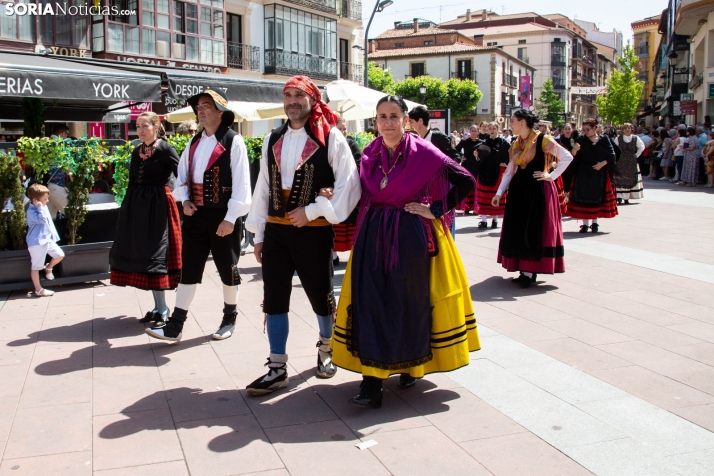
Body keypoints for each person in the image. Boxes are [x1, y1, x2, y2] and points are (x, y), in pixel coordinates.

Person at [331, 95, 479, 409]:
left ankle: (409, 365)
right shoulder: (369, 153)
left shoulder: (424, 151)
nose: (387, 123)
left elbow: (465, 180)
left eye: (394, 116)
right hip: (372, 235)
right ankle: (372, 383)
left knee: (407, 303)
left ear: (406, 119)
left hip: (410, 237)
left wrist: (435, 209)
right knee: (370, 302)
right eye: (382, 117)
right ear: (375, 122)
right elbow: (356, 191)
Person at [244, 75, 361, 395]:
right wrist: (258, 235)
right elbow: (263, 188)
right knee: (275, 298)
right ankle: (277, 367)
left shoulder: (331, 138)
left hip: (314, 232)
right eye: (288, 95)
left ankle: (328, 348)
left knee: (321, 294)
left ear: (312, 99)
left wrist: (313, 210)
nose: (292, 100)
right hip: (277, 233)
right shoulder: (272, 139)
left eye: (299, 95)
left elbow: (350, 185)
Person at [145, 89, 252, 342]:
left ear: (220, 111)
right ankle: (175, 326)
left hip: (223, 216)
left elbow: (243, 185)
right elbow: (180, 179)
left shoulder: (233, 141)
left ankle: (230, 317)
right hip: (195, 216)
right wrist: (184, 201)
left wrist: (231, 217)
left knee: (229, 269)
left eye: (206, 105)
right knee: (189, 269)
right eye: (198, 107)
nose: (200, 110)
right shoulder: (193, 142)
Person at [109, 112, 182, 327]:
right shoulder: (137, 150)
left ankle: (163, 309)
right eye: (138, 126)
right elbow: (133, 181)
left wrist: (182, 197)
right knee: (143, 254)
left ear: (156, 126)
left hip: (158, 206)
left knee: (155, 254)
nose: (140, 130)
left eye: (145, 126)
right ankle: (159, 307)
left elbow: (182, 174)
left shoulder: (166, 148)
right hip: (138, 206)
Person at [492, 109, 573, 288]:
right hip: (520, 189)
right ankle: (524, 270)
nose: (510, 124)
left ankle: (530, 272)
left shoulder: (543, 140)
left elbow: (567, 157)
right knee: (520, 227)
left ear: (522, 122)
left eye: (512, 121)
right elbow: (510, 170)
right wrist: (499, 192)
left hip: (538, 189)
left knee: (534, 227)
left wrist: (551, 176)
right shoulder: (515, 144)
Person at [566, 118, 618, 232]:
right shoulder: (581, 139)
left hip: (599, 172)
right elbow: (573, 157)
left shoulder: (604, 140)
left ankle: (595, 223)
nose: (585, 132)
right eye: (583, 129)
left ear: (595, 128)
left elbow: (612, 155)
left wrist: (603, 163)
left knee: (597, 197)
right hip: (583, 172)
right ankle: (584, 224)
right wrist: (574, 150)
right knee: (583, 197)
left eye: (587, 129)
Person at [331, 118, 362, 263]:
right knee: (333, 224)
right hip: (332, 191)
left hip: (349, 190)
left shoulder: (351, 143)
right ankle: (333, 255)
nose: (343, 132)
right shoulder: (328, 144)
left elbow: (359, 163)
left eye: (344, 129)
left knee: (351, 225)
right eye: (340, 129)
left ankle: (354, 256)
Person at [26, 183, 64, 297]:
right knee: (36, 267)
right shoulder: (32, 211)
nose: (47, 201)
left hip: (47, 239)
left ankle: (48, 268)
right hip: (37, 242)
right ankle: (38, 289)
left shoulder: (43, 207)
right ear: (35, 200)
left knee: (59, 255)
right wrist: (39, 207)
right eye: (45, 199)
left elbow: (49, 223)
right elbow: (42, 220)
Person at [475, 122, 510, 229]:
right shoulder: (484, 143)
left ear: (498, 129)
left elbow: (509, 157)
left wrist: (505, 163)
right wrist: (477, 155)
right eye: (490, 128)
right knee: (484, 195)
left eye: (494, 128)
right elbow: (480, 157)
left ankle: (495, 220)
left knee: (496, 194)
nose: (492, 130)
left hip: (498, 172)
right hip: (485, 172)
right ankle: (484, 220)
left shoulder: (504, 143)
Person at [454, 124, 486, 214]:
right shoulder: (464, 141)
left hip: (477, 165)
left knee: (476, 185)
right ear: (469, 132)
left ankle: (476, 207)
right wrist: (461, 157)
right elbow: (455, 150)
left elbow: (486, 154)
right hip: (467, 164)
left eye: (476, 131)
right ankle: (467, 207)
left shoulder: (482, 142)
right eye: (472, 131)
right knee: (467, 184)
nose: (474, 133)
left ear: (478, 132)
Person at [613, 123, 645, 204]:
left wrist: (636, 155)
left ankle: (627, 198)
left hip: (631, 161)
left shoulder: (635, 138)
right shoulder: (618, 138)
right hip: (620, 160)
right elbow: (614, 148)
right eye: (625, 128)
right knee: (620, 179)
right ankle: (619, 197)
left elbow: (642, 146)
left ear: (631, 129)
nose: (627, 129)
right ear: (623, 130)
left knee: (630, 178)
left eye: (629, 128)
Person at [46, 125, 70, 219]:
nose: (67, 137)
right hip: (56, 186)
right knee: (74, 215)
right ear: (62, 133)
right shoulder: (59, 145)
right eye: (67, 134)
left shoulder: (47, 143)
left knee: (49, 220)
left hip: (48, 186)